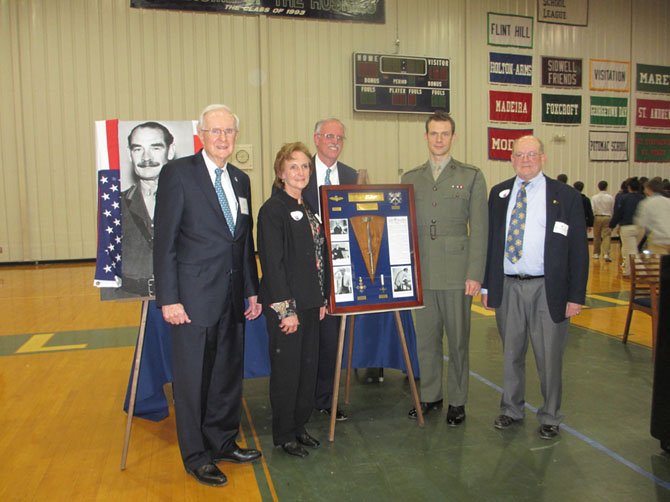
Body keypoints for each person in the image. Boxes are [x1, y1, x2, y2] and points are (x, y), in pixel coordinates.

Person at [153, 104, 262, 487]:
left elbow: (243, 242)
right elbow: (164, 242)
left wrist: (252, 290)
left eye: (229, 131)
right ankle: (196, 455)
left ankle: (222, 441)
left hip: (232, 299)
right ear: (201, 134)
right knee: (192, 381)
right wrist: (169, 298)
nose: (223, 138)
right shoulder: (178, 174)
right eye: (215, 131)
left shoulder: (240, 180)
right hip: (191, 301)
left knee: (226, 376)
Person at [481, 135, 588, 440]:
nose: (525, 160)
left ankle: (551, 415)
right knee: (511, 353)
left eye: (531, 154)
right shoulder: (499, 194)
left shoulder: (565, 196)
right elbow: (491, 245)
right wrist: (489, 286)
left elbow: (579, 250)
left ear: (543, 158)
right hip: (508, 285)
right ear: (511, 159)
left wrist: (575, 296)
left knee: (548, 356)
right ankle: (511, 409)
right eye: (519, 155)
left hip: (548, 288)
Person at [401, 112, 488, 426]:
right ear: (426, 137)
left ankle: (458, 400)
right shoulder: (410, 177)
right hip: (422, 270)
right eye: (433, 133)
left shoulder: (472, 175)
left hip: (456, 272)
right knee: (425, 339)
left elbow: (479, 228)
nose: (439, 139)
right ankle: (430, 396)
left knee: (458, 339)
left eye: (445, 133)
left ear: (453, 137)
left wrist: (475, 273)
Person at [257, 142, 328, 458]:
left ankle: (299, 427)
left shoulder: (308, 207)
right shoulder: (273, 210)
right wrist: (287, 310)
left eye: (305, 167)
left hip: (312, 304)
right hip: (288, 309)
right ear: (280, 172)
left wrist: (322, 299)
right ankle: (284, 434)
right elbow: (273, 264)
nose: (301, 172)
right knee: (287, 371)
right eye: (294, 166)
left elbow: (317, 258)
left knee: (307, 369)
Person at [304, 118, 358, 421]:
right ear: (316, 138)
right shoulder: (301, 170)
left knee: (331, 339)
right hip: (306, 268)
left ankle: (325, 399)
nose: (334, 141)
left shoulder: (351, 175)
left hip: (340, 270)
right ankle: (302, 397)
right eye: (329, 136)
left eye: (339, 137)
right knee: (305, 337)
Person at [120, 122, 176, 297]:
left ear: (170, 151)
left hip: (180, 294)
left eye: (155, 148)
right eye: (138, 149)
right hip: (130, 294)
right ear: (130, 154)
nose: (146, 157)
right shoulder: (116, 204)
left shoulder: (193, 201)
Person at [609, 178, 645, 277]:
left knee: (630, 251)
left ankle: (641, 271)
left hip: (627, 227)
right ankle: (628, 270)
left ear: (629, 187)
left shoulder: (624, 198)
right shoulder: (643, 198)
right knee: (630, 249)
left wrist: (612, 224)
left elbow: (618, 213)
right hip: (641, 227)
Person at [635, 178, 670, 255]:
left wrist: (636, 243)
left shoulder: (646, 203)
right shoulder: (668, 201)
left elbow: (641, 226)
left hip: (658, 240)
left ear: (648, 189)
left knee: (658, 265)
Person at [591, 180, 614, 262]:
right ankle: (606, 254)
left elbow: (592, 209)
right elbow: (612, 209)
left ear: (598, 187)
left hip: (597, 217)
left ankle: (596, 253)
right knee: (607, 236)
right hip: (607, 217)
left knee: (596, 236)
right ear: (606, 187)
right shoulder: (610, 197)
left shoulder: (594, 197)